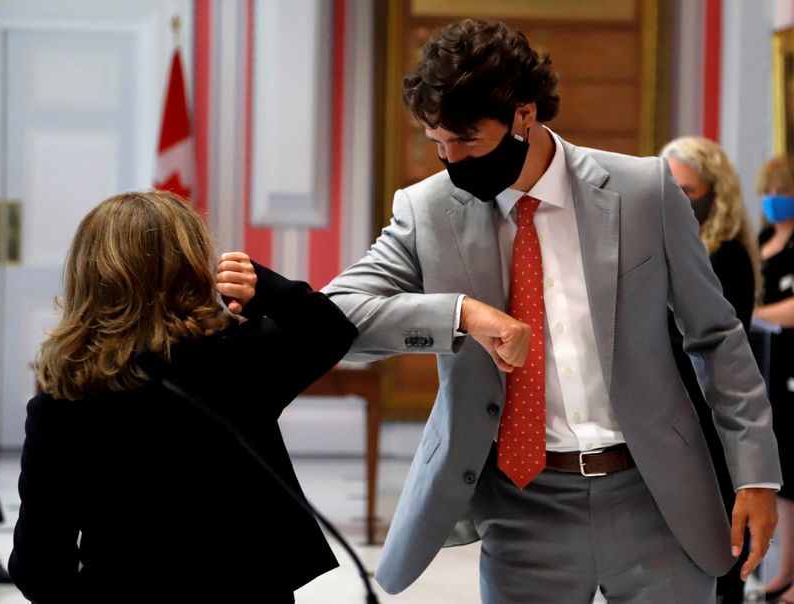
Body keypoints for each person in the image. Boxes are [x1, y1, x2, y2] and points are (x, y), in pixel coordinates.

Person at [323, 18, 781, 604]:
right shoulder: (427, 210)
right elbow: (339, 314)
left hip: (657, 497)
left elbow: (717, 336)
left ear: (523, 113)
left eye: (467, 139)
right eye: (438, 143)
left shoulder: (643, 190)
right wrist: (463, 315)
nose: (452, 161)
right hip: (522, 505)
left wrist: (756, 475)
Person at [8, 191, 357, 603]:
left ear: (87, 275)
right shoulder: (243, 358)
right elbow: (331, 330)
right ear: (194, 267)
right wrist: (262, 288)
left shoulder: (61, 400)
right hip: (249, 590)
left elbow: (39, 564)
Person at [661, 136, 761, 604]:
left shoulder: (727, 256)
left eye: (689, 191)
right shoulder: (671, 245)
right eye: (671, 189)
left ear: (714, 194)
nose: (678, 200)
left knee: (723, 546)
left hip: (709, 418)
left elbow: (716, 348)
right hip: (675, 414)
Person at [753, 156, 794, 603]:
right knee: (782, 479)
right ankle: (784, 570)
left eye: (780, 191)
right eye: (767, 191)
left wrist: (753, 314)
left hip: (791, 369)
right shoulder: (764, 238)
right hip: (766, 366)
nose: (772, 200)